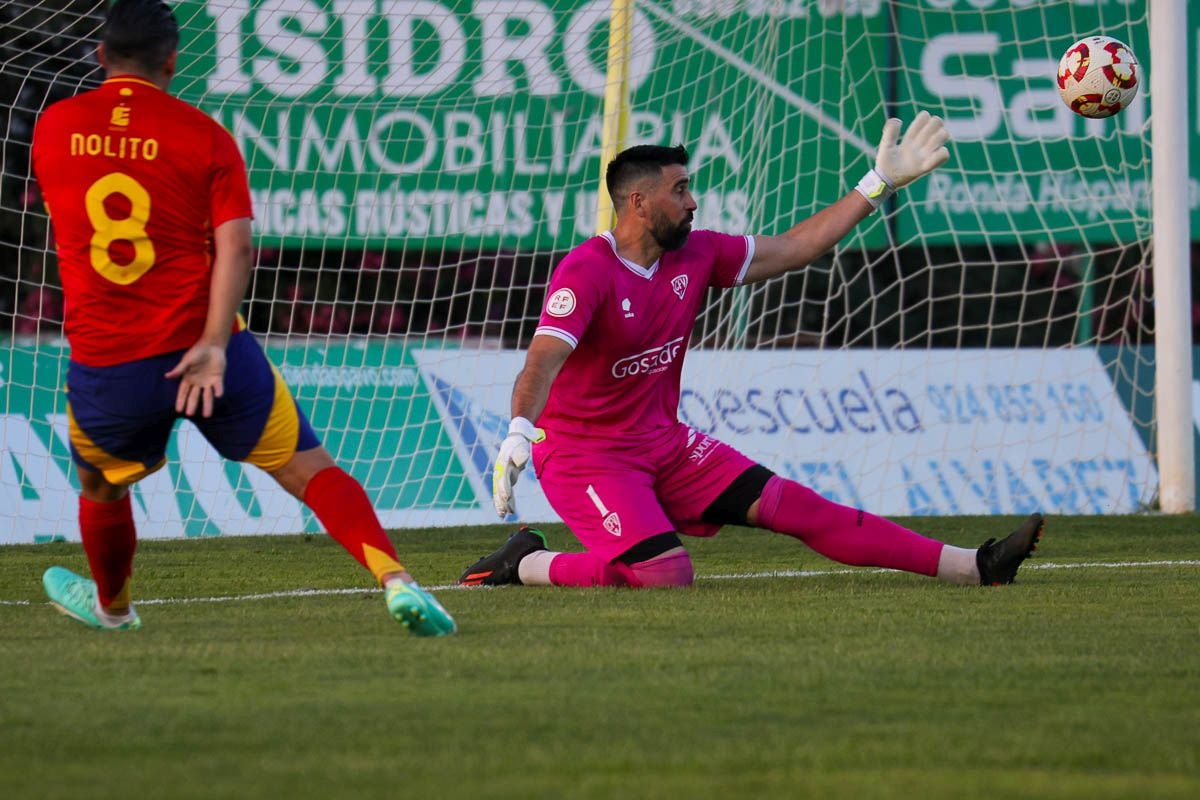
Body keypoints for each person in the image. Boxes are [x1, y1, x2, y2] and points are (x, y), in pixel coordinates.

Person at [460, 114, 1043, 590]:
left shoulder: (698, 253)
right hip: (586, 456)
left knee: (801, 508)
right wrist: (518, 430)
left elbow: (796, 247)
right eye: (680, 190)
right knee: (664, 574)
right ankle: (525, 563)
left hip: (663, 443)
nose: (693, 202)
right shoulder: (587, 271)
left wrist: (878, 184)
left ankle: (977, 565)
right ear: (637, 202)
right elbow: (542, 360)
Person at [31, 0, 454, 636]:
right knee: (314, 472)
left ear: (99, 56)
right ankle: (396, 579)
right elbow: (237, 246)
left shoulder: (55, 126)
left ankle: (113, 610)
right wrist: (211, 344)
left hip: (111, 361)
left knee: (101, 487)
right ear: (173, 60)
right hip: (211, 353)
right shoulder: (204, 135)